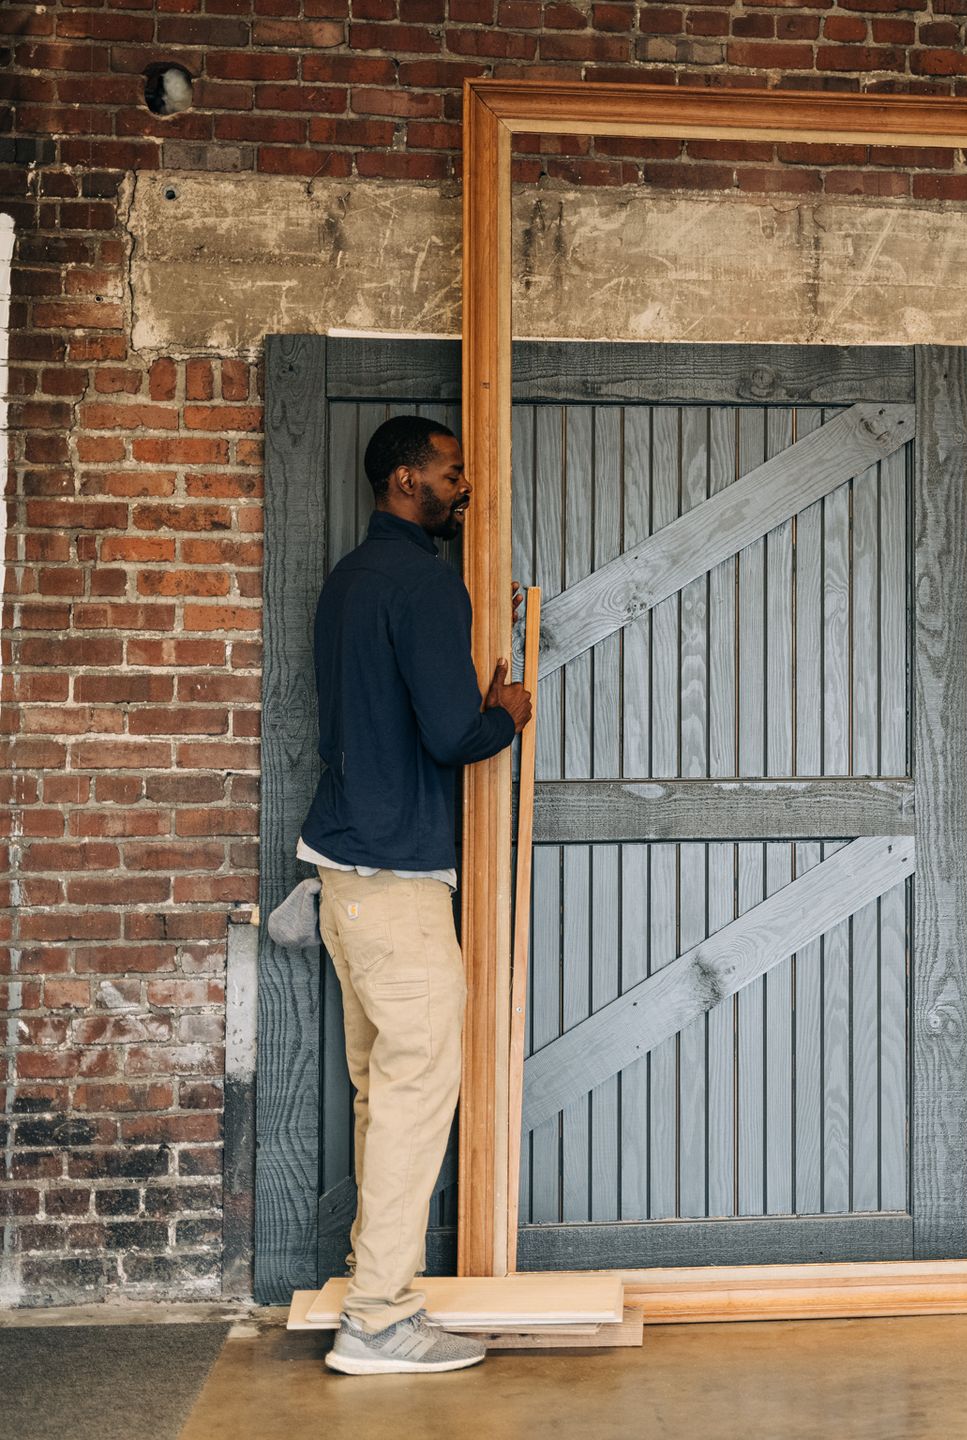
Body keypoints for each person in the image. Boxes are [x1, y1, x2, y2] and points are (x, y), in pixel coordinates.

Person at [297, 415, 532, 1374]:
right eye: (451, 471)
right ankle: (381, 1321)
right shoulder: (426, 584)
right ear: (406, 480)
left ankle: (371, 1293)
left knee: (378, 1094)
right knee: (416, 1091)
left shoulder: (349, 581)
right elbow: (453, 738)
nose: (464, 485)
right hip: (395, 890)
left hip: (343, 884)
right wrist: (506, 715)